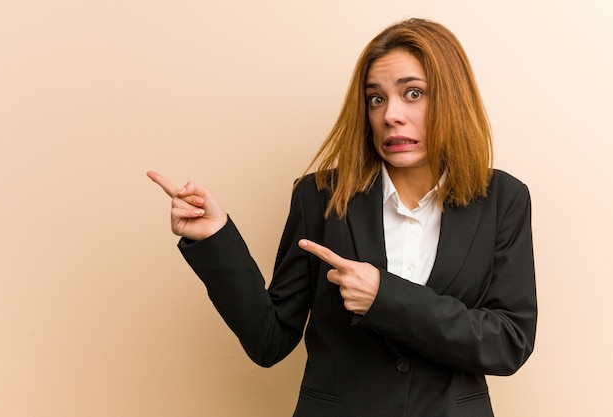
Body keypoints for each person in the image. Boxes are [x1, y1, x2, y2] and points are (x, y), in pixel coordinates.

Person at [147, 18, 537, 417]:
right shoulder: (319, 197)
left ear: (453, 98)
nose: (391, 116)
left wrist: (384, 298)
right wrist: (214, 239)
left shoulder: (503, 199)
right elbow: (270, 341)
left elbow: (509, 341)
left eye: (413, 93)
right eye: (376, 99)